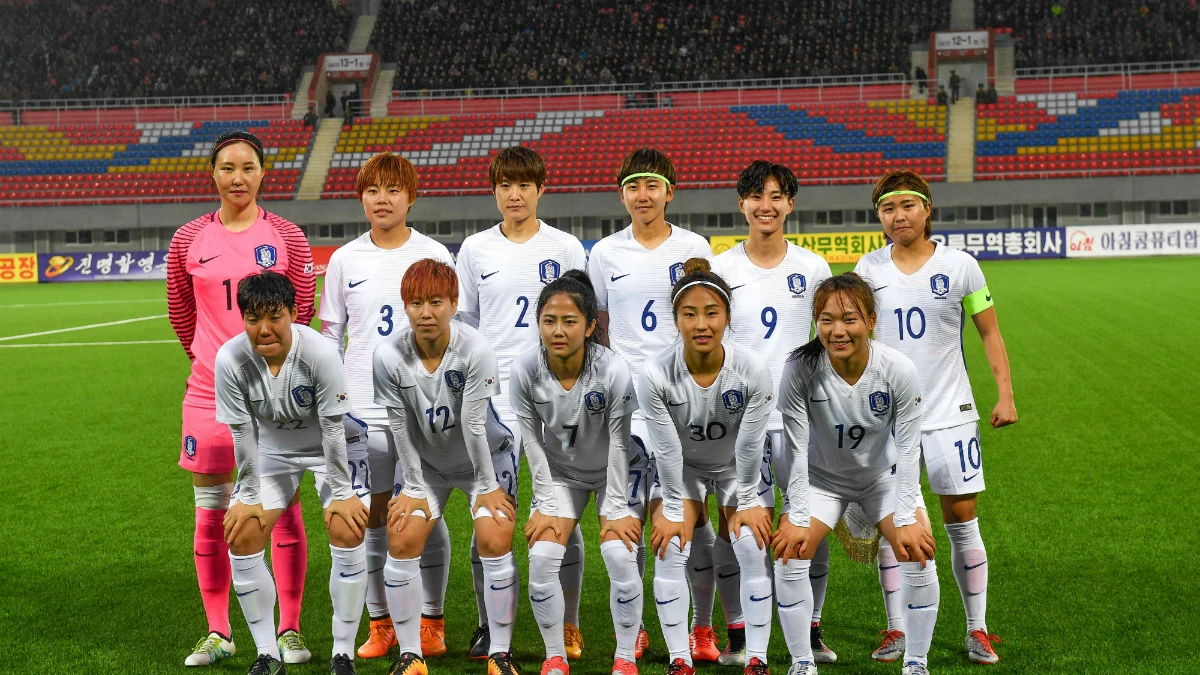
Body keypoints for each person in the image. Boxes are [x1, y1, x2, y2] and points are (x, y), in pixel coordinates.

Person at [855, 170, 1017, 665]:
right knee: (893, 523)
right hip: (886, 418)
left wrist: (1005, 395)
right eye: (887, 207)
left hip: (951, 413)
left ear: (927, 209)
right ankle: (896, 628)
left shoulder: (962, 266)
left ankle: (978, 628)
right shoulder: (867, 267)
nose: (897, 215)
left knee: (961, 518)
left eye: (907, 205)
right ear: (879, 216)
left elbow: (989, 333)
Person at [167, 130, 316, 667]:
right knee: (211, 511)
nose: (238, 177)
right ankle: (219, 631)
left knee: (283, 507)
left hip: (275, 391)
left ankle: (290, 629)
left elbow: (302, 311)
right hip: (208, 390)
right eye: (227, 167)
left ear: (261, 173)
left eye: (248, 167)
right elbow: (181, 314)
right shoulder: (187, 239)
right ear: (213, 173)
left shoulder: (288, 237)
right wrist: (214, 364)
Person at [318, 152, 458, 660]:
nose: (382, 198)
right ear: (361, 197)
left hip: (418, 411)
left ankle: (431, 622)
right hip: (358, 411)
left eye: (392, 189)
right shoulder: (344, 260)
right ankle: (380, 625)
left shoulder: (435, 254)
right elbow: (331, 334)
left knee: (420, 515)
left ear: (411, 197)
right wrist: (328, 403)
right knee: (371, 519)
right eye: (372, 189)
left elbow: (451, 333)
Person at [454, 146, 588, 659]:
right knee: (490, 515)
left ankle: (569, 624)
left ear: (540, 189)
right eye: (506, 185)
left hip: (553, 399)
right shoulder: (474, 250)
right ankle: (489, 625)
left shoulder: (567, 248)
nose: (515, 194)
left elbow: (580, 324)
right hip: (489, 403)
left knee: (560, 512)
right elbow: (463, 327)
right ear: (494, 189)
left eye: (524, 185)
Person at [773, 272, 940, 675]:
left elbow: (908, 449)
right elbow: (795, 449)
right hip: (821, 481)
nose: (837, 330)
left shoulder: (898, 370)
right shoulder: (799, 368)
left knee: (918, 551)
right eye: (826, 319)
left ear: (871, 321)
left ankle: (916, 662)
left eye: (849, 319)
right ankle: (801, 663)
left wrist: (905, 517)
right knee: (790, 552)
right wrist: (795, 513)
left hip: (881, 479)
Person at [587, 148, 713, 660]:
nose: (643, 195)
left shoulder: (694, 247)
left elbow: (708, 318)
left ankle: (696, 629)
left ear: (669, 192)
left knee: (687, 519)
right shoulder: (603, 253)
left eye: (652, 185)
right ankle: (636, 627)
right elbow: (597, 323)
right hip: (625, 406)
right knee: (629, 520)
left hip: (684, 404)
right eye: (634, 186)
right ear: (623, 194)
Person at [215, 271, 371, 675]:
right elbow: (242, 432)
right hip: (272, 453)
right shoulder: (230, 359)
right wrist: (248, 496)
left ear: (295, 314)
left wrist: (341, 491)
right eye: (253, 319)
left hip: (331, 448)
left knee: (345, 525)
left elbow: (335, 430)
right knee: (243, 533)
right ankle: (267, 654)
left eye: (274, 316)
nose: (263, 329)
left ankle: (343, 652)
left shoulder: (320, 352)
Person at [711, 160, 836, 665]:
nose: (767, 205)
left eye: (776, 195)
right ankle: (740, 632)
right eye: (756, 196)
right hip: (741, 422)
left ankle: (810, 630)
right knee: (737, 528)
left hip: (803, 418)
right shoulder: (722, 269)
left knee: (810, 522)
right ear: (741, 204)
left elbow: (830, 340)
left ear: (790, 203)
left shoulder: (813, 268)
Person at [372, 259, 521, 675]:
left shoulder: (475, 349)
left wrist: (489, 486)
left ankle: (499, 653)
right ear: (405, 307)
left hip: (485, 459)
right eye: (416, 302)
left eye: (436, 301)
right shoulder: (388, 355)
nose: (426, 312)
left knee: (494, 536)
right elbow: (398, 425)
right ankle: (410, 656)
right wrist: (414, 486)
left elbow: (475, 425)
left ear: (454, 303)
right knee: (400, 538)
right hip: (427, 464)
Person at [509, 271, 649, 675]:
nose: (558, 330)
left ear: (590, 327)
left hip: (614, 474)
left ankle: (624, 658)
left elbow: (622, 442)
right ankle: (555, 655)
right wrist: (547, 502)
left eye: (570, 321)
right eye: (549, 320)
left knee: (618, 554)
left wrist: (619, 507)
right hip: (561, 475)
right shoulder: (524, 369)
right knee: (543, 557)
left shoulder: (612, 369)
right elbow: (531, 442)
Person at [641, 258, 776, 675]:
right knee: (671, 544)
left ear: (727, 318)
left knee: (752, 542)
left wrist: (750, 499)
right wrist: (673, 508)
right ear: (676, 319)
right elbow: (666, 450)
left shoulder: (751, 369)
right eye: (689, 314)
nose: (701, 323)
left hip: (738, 468)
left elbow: (752, 444)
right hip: (682, 468)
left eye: (712, 313)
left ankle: (756, 656)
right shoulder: (655, 373)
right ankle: (680, 657)